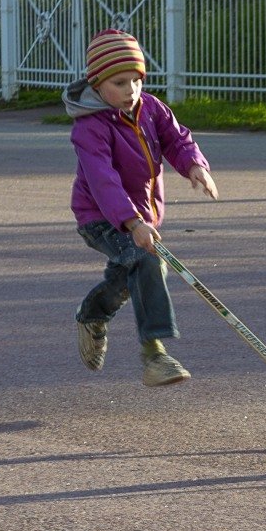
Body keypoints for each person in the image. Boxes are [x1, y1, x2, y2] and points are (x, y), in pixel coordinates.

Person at [66, 29, 219, 386]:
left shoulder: (150, 108)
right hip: (101, 217)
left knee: (128, 276)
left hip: (140, 218)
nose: (131, 90)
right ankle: (154, 354)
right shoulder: (90, 127)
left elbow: (177, 139)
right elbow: (103, 180)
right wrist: (132, 222)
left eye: (137, 80)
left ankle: (92, 314)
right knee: (148, 260)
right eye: (120, 83)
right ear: (98, 82)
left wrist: (195, 166)